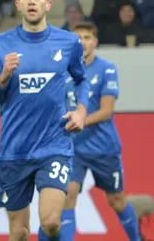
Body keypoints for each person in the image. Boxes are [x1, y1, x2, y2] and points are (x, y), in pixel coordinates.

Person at [0, 0, 89, 241]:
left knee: (51, 222)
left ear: (48, 4)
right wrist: (3, 77)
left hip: (54, 146)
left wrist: (81, 111)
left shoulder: (68, 43)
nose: (32, 0)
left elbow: (82, 79)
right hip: (14, 151)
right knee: (19, 231)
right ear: (17, 4)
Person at [60, 22, 140, 241]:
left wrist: (79, 121)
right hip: (73, 148)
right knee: (68, 196)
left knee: (116, 200)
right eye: (78, 38)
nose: (83, 42)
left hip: (103, 147)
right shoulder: (62, 71)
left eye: (87, 38)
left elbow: (106, 111)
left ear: (94, 42)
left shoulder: (107, 68)